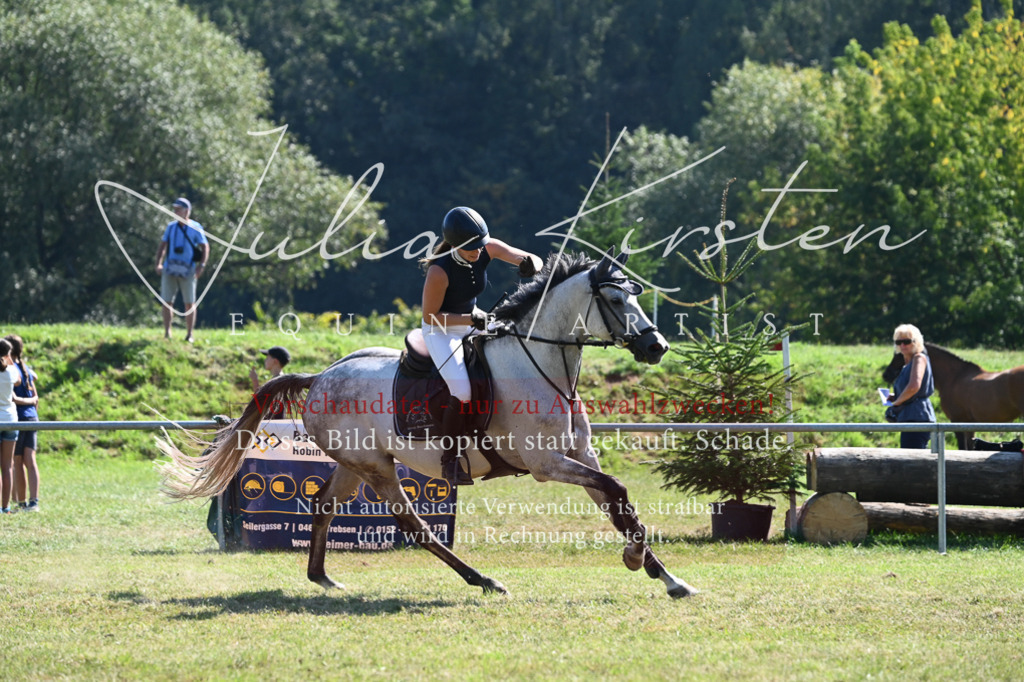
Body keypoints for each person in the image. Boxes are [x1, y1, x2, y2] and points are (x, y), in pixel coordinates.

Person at [420, 206, 543, 485]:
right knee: (462, 391)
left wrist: (531, 264)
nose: (478, 252)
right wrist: (468, 318)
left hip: (476, 323)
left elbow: (529, 257)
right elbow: (430, 317)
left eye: (480, 245)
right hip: (441, 331)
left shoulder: (486, 246)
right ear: (454, 244)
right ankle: (449, 460)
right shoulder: (439, 271)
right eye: (471, 248)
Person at [155, 197, 209, 343]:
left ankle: (189, 334)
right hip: (170, 268)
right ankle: (167, 332)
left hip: (188, 269)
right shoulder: (171, 227)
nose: (176, 212)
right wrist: (159, 264)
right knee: (167, 301)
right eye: (175, 209)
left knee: (189, 302)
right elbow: (163, 246)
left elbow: (205, 247)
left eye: (179, 209)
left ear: (187, 211)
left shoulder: (195, 227)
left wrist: (201, 266)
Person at [6, 335, 40, 512]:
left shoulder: (10, 371)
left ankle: (21, 503)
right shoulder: (26, 368)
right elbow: (36, 398)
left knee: (17, 461)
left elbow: (11, 397)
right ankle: (34, 502)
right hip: (33, 418)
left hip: (18, 418)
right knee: (31, 460)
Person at [888, 324, 936, 449]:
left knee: (913, 462)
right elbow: (912, 390)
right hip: (912, 417)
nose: (902, 345)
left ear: (916, 342)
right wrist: (895, 398)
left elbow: (914, 387)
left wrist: (897, 403)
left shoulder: (919, 358)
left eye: (907, 341)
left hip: (917, 417)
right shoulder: (907, 364)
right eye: (899, 342)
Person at [0, 338, 22, 514]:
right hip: (10, 419)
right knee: (7, 466)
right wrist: (11, 362)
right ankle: (5, 507)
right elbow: (19, 382)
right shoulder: (12, 371)